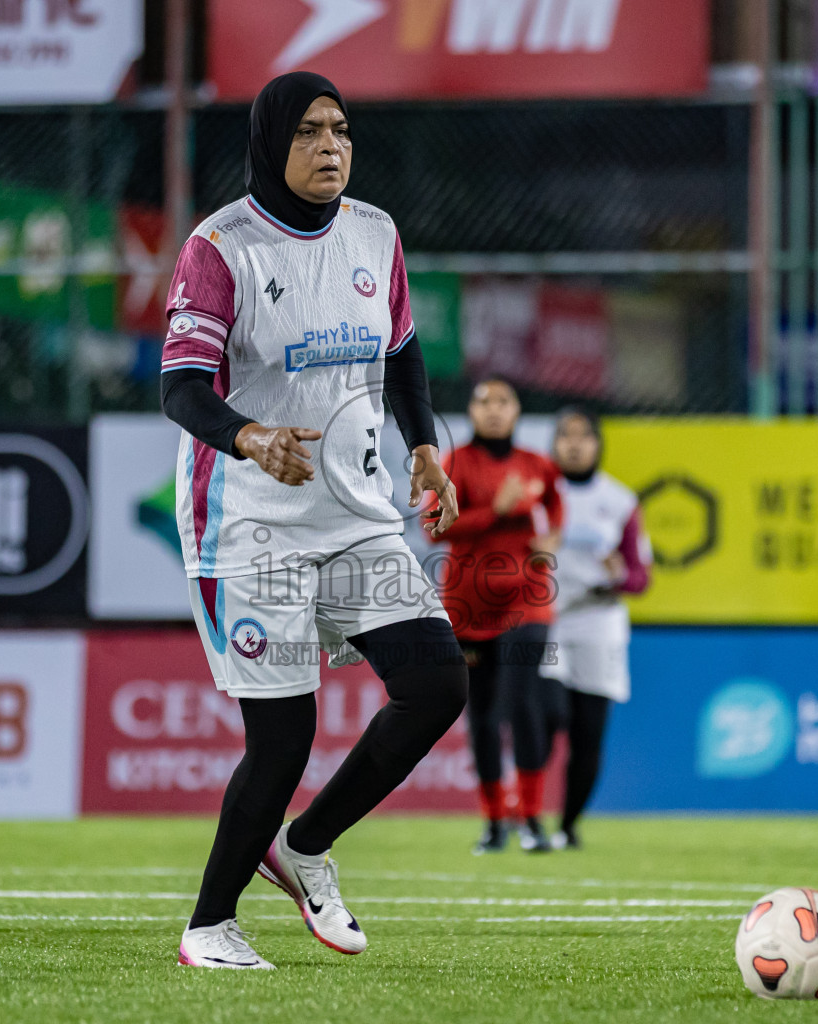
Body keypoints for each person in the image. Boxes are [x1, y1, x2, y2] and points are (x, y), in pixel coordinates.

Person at [159, 72, 467, 971]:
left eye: (340, 129)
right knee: (284, 738)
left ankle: (304, 846)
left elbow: (403, 357)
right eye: (308, 133)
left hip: (356, 514)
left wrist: (424, 450)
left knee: (437, 686)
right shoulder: (222, 247)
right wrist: (250, 437)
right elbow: (180, 388)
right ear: (269, 144)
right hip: (249, 521)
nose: (331, 146)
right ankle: (209, 926)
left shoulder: (376, 233)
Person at [427, 376, 563, 854]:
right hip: (468, 608)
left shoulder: (536, 464)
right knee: (483, 717)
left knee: (522, 702)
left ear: (518, 410)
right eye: (483, 401)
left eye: (503, 401)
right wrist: (495, 511)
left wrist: (552, 540)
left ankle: (530, 817)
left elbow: (555, 505)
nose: (493, 410)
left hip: (527, 599)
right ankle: (493, 822)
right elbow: (433, 527)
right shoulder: (456, 462)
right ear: (471, 410)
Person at [542, 407, 652, 850]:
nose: (574, 443)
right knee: (549, 712)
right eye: (565, 435)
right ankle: (525, 815)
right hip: (547, 620)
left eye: (583, 435)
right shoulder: (538, 494)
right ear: (553, 444)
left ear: (597, 444)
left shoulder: (620, 501)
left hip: (598, 620)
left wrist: (620, 575)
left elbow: (641, 578)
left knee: (588, 734)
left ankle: (568, 826)